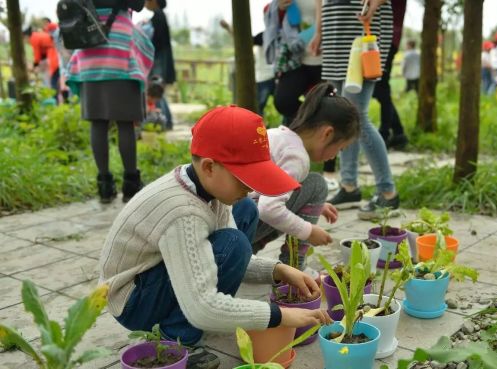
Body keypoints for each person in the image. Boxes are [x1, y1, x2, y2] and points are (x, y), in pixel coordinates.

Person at [99, 105, 333, 369]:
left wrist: (279, 270)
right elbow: (204, 306)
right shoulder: (183, 212)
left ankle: (191, 319)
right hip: (133, 300)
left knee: (245, 211)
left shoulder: (205, 187)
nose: (250, 188)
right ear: (210, 167)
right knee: (234, 243)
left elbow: (233, 254)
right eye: (245, 180)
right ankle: (177, 339)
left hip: (154, 278)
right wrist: (281, 316)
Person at [251, 82, 359, 269]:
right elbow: (268, 208)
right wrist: (308, 231)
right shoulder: (297, 158)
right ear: (327, 133)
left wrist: (313, 205)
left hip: (230, 219)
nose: (335, 156)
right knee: (318, 185)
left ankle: (247, 251)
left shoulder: (279, 135)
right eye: (339, 148)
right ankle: (294, 266)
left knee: (303, 192)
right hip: (242, 223)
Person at [312, 0, 400, 220]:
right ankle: (349, 187)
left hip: (362, 24)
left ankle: (388, 192)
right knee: (342, 116)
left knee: (357, 117)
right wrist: (319, 30)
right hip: (334, 29)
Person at [66, 0, 154, 204]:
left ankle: (104, 187)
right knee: (125, 123)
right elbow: (138, 5)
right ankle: (131, 185)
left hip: (88, 43)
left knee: (97, 122)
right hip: (118, 46)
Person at [264, 0, 321, 125]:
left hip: (325, 58)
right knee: (283, 101)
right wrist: (280, 9)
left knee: (328, 103)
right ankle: (315, 123)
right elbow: (274, 23)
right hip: (296, 58)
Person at [219, 18, 276, 117]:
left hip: (266, 78)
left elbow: (244, 41)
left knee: (258, 110)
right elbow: (245, 40)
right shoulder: (268, 35)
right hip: (269, 77)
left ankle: (258, 129)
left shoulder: (267, 35)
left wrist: (228, 28)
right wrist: (228, 28)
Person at [374, 0, 408, 150]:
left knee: (381, 88)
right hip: (384, 38)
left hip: (385, 39)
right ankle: (398, 132)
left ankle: (385, 134)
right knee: (379, 89)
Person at [145, 0, 176, 130]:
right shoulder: (160, 16)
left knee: (156, 91)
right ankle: (167, 121)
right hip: (161, 59)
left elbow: (155, 43)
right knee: (158, 92)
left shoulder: (157, 18)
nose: (145, 3)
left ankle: (165, 122)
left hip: (158, 60)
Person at [23, 26, 60, 96]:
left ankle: (54, 98)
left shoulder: (33, 38)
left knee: (52, 81)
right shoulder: (36, 35)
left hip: (53, 56)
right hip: (52, 54)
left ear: (26, 36)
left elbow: (37, 55)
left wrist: (35, 66)